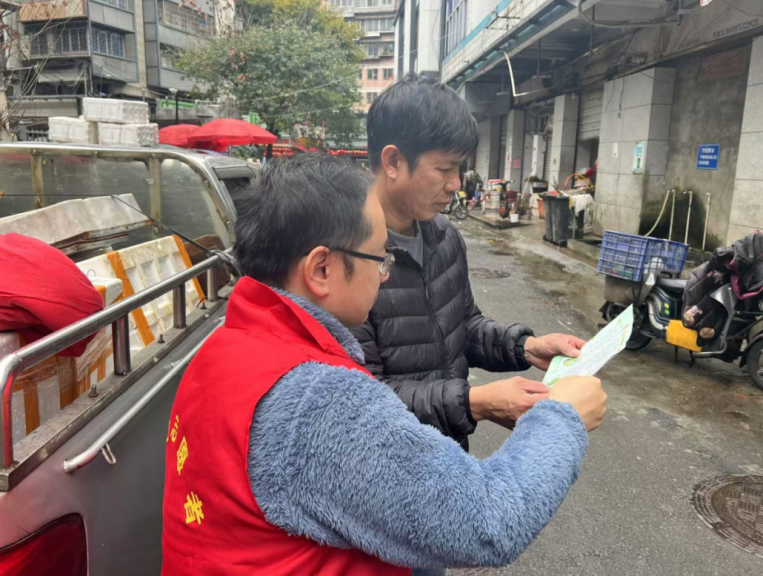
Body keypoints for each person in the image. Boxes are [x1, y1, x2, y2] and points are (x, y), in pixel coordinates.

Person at [161, 154, 606, 575]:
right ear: (321, 269)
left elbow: (463, 322)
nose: (386, 273)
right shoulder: (318, 402)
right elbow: (488, 520)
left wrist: (521, 346)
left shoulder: (224, 347)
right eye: (379, 258)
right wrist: (561, 417)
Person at [353, 74, 589, 448]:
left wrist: (527, 346)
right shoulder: (349, 257)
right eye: (444, 169)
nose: (455, 184)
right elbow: (361, 399)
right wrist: (475, 403)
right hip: (390, 464)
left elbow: (463, 326)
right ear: (394, 161)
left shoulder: (443, 236)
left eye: (459, 169)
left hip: (450, 453)